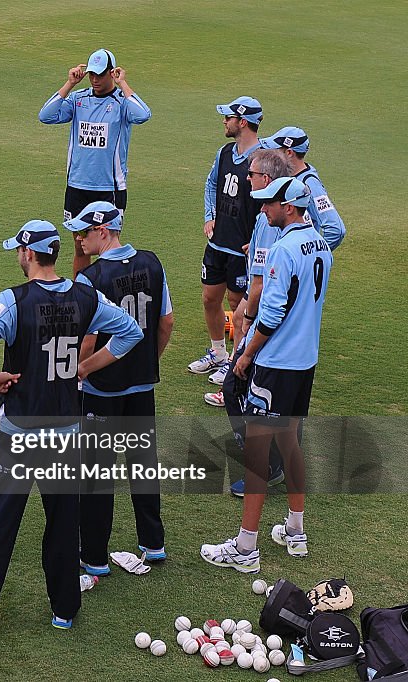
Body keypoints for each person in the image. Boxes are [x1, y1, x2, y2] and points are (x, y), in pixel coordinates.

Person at [0, 221, 141, 647]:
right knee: (63, 522)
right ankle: (65, 609)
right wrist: (84, 368)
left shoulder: (14, 300)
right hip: (66, 429)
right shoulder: (84, 295)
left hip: (19, 432)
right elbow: (130, 332)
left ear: (28, 253)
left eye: (19, 250)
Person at [200, 177, 332, 573]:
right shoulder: (320, 244)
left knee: (257, 454)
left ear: (288, 207)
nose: (262, 210)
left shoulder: (282, 250)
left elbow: (271, 315)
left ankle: (245, 548)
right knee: (289, 440)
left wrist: (243, 357)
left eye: (268, 204)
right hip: (305, 361)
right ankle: (295, 528)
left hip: (276, 365)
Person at [65, 202, 174, 573]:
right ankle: (153, 543)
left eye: (84, 231)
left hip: (101, 392)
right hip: (142, 387)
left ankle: (94, 557)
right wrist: (148, 361)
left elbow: (88, 341)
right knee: (144, 467)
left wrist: (81, 372)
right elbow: (166, 322)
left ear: (104, 231)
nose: (78, 238)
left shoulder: (91, 279)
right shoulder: (153, 263)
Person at [206, 150, 292, 497]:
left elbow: (258, 284)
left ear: (267, 181)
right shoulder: (289, 227)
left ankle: (266, 469)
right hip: (293, 337)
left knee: (237, 389)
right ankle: (281, 464)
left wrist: (244, 319)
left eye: (252, 174)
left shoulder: (268, 222)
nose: (246, 178)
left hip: (264, 327)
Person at [38, 49, 152, 274]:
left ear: (112, 72)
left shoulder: (122, 103)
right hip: (78, 187)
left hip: (110, 189)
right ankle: (80, 298)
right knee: (81, 247)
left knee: (108, 249)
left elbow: (143, 114)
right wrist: (69, 84)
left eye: (100, 75)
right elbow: (46, 115)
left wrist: (124, 84)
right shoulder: (79, 99)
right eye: (92, 74)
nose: (95, 79)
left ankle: (105, 299)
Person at [189, 96, 263, 376]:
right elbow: (211, 184)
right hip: (217, 243)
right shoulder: (224, 152)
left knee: (238, 305)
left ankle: (235, 360)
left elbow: (267, 207)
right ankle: (218, 352)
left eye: (228, 117)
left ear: (242, 122)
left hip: (241, 250)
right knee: (210, 298)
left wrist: (257, 241)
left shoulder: (263, 160)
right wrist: (210, 216)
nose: (224, 121)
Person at [260, 126, 346, 251]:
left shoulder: (309, 184)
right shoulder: (286, 177)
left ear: (289, 153)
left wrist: (313, 256)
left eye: (275, 151)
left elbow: (336, 229)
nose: (270, 157)